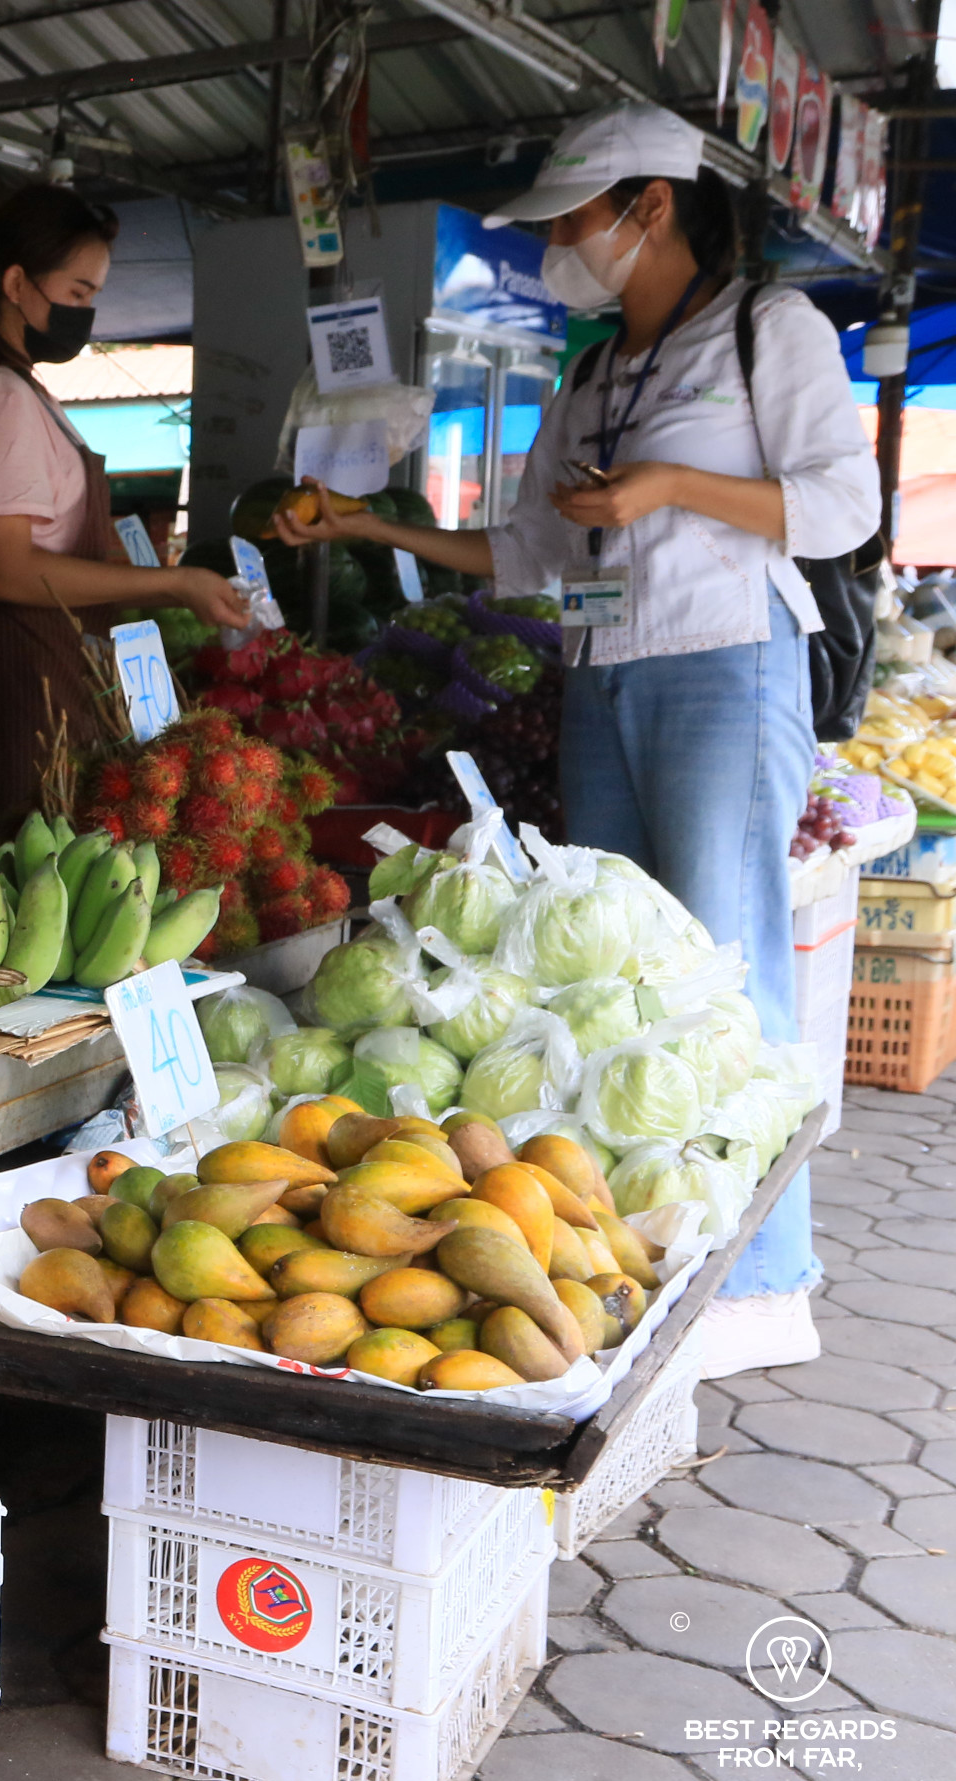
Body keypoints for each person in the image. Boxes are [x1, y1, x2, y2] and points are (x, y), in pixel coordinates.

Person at [276, 102, 879, 1378]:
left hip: (726, 666)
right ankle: (641, 1258)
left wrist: (667, 487)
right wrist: (365, 529)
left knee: (721, 964)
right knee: (609, 986)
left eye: (569, 220)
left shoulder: (770, 328)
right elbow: (528, 551)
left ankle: (763, 1283)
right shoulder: (596, 370)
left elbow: (841, 503)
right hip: (603, 678)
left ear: (646, 208)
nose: (558, 242)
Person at [0, 185, 248, 827]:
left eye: (93, 295)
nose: (86, 311)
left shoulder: (11, 389)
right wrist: (174, 582)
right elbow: (9, 569)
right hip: (10, 679)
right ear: (16, 283)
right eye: (76, 293)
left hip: (32, 664)